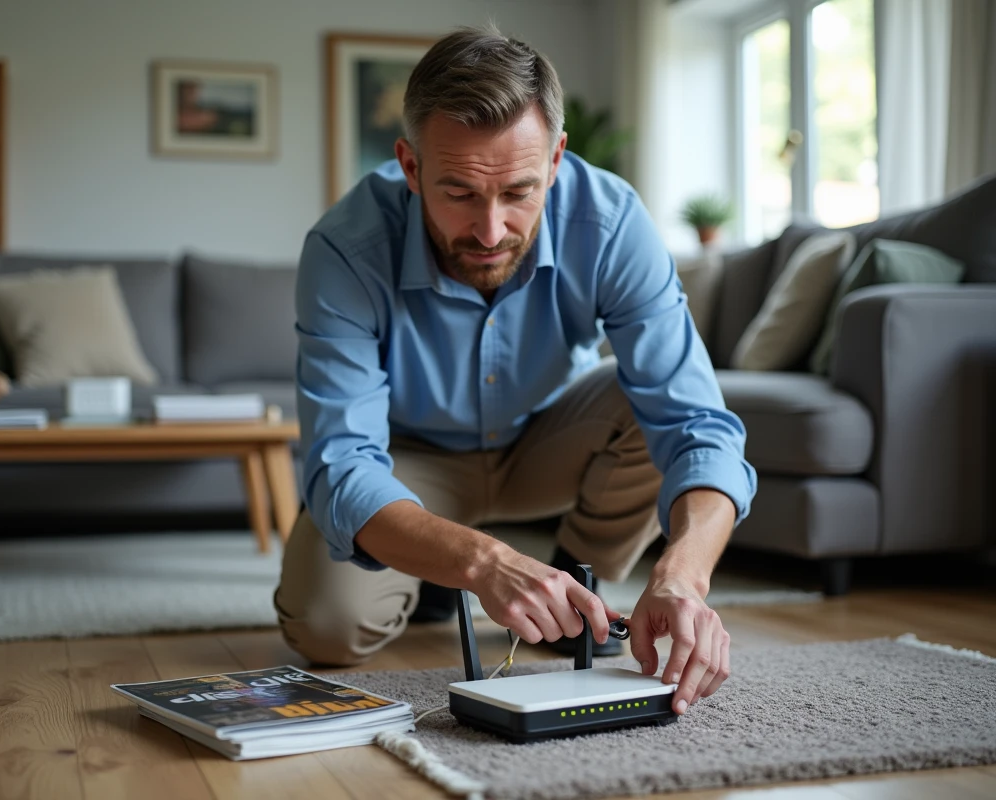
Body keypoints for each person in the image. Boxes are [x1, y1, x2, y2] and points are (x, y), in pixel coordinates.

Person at [275, 25, 757, 717]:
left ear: (556, 159)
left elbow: (699, 426)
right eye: (461, 193)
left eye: (519, 192)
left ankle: (570, 594)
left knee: (654, 401)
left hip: (545, 439)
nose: (492, 230)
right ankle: (438, 564)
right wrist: (480, 562)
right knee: (327, 627)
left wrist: (684, 579)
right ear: (410, 168)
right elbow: (342, 462)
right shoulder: (345, 248)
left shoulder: (612, 220)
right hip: (406, 459)